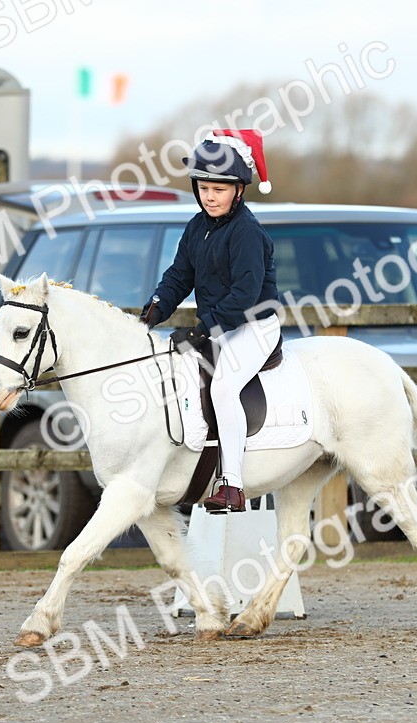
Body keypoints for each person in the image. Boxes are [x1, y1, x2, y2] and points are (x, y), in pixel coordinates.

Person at [139, 129, 279, 513]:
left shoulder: (247, 232)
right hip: (220, 325)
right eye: (204, 188)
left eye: (220, 189)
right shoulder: (196, 227)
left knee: (222, 388)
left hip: (254, 325)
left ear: (238, 190)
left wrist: (203, 328)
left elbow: (245, 297)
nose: (210, 196)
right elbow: (179, 276)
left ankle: (232, 485)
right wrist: (153, 310)